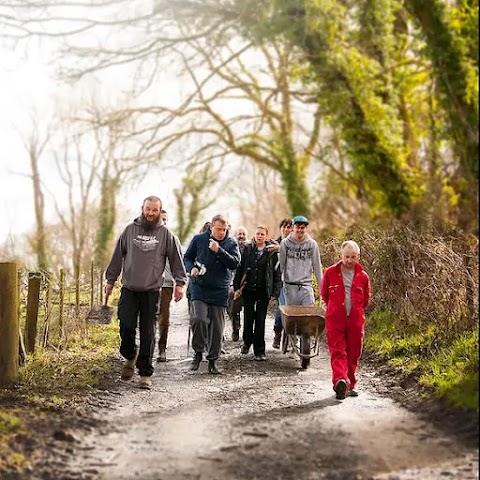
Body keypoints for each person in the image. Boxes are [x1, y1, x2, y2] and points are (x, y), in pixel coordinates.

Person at [105, 196, 187, 390]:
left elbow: (176, 260)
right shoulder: (129, 230)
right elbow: (117, 255)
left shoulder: (166, 234)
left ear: (160, 211)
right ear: (142, 208)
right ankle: (130, 354)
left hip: (151, 291)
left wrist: (179, 283)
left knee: (148, 332)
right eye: (148, 209)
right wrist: (110, 280)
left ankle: (145, 373)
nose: (151, 213)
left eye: (155, 210)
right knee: (126, 326)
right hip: (129, 289)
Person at [184, 214, 240, 374]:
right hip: (199, 287)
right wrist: (191, 268)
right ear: (211, 227)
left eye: (224, 229)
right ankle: (198, 353)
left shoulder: (231, 243)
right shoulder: (199, 239)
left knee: (217, 327)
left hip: (219, 289)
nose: (221, 232)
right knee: (199, 319)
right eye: (218, 229)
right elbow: (187, 257)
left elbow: (234, 263)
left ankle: (213, 361)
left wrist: (219, 251)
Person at [321, 240, 371, 400]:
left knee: (354, 352)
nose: (350, 260)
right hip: (335, 319)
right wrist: (335, 309)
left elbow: (366, 300)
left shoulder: (363, 277)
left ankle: (351, 383)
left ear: (358, 256)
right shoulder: (330, 273)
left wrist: (355, 312)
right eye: (347, 257)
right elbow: (324, 294)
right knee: (338, 351)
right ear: (341, 256)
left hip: (355, 320)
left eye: (353, 257)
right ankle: (340, 381)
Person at [233, 226, 281, 361]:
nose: (259, 236)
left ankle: (260, 350)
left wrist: (275, 292)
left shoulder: (271, 252)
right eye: (257, 234)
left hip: (263, 290)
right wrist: (237, 287)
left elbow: (277, 273)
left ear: (266, 236)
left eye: (262, 234)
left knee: (260, 320)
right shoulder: (248, 249)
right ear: (254, 235)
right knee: (248, 318)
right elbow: (240, 268)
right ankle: (247, 343)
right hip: (248, 289)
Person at [156, 209, 182, 363]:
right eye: (161, 219)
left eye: (166, 219)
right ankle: (147, 346)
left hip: (166, 284)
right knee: (148, 317)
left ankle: (161, 349)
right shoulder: (147, 238)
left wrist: (179, 283)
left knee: (164, 318)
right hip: (147, 284)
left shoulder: (172, 238)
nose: (163, 222)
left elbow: (178, 263)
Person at [279, 215, 323, 306]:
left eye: (302, 228)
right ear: (293, 228)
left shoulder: (312, 244)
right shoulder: (285, 243)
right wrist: (277, 286)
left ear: (306, 229)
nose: (300, 230)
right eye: (297, 227)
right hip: (290, 286)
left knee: (308, 315)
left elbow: (317, 267)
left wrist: (322, 288)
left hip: (306, 286)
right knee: (292, 317)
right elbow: (281, 266)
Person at [271, 218, 293, 348]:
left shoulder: (296, 244)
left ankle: (292, 335)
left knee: (294, 310)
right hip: (279, 282)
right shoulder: (274, 244)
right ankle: (277, 333)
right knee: (281, 309)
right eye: (284, 227)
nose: (286, 230)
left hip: (295, 281)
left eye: (289, 227)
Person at [227, 226, 248, 341]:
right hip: (233, 283)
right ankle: (235, 327)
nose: (241, 236)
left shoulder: (250, 248)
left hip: (248, 284)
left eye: (243, 234)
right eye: (239, 234)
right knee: (232, 298)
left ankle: (248, 333)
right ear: (235, 236)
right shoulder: (231, 248)